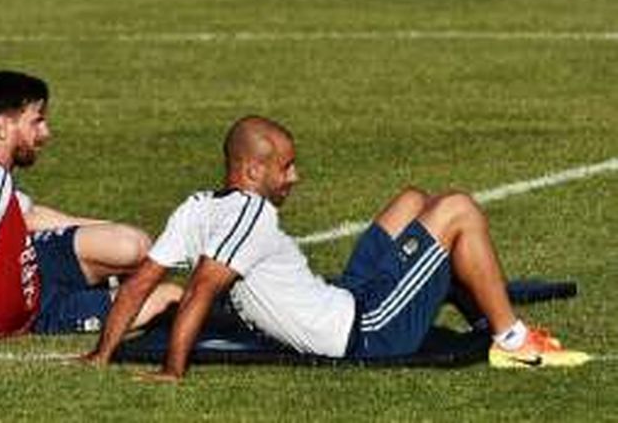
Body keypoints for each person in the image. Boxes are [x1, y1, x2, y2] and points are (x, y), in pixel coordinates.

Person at [85, 115, 589, 378]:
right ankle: (512, 341)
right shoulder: (253, 214)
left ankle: (482, 315)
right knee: (456, 208)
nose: (296, 177)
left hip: (348, 298)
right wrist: (173, 371)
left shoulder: (198, 206)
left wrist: (101, 355)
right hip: (368, 332)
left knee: (414, 201)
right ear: (252, 171)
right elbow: (198, 291)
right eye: (286, 166)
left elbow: (142, 282)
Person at [0, 70, 181, 345]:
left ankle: (113, 280)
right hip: (22, 309)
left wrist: (113, 229)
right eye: (37, 121)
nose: (45, 133)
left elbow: (29, 216)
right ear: (2, 126)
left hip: (29, 265)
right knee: (169, 297)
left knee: (133, 244)